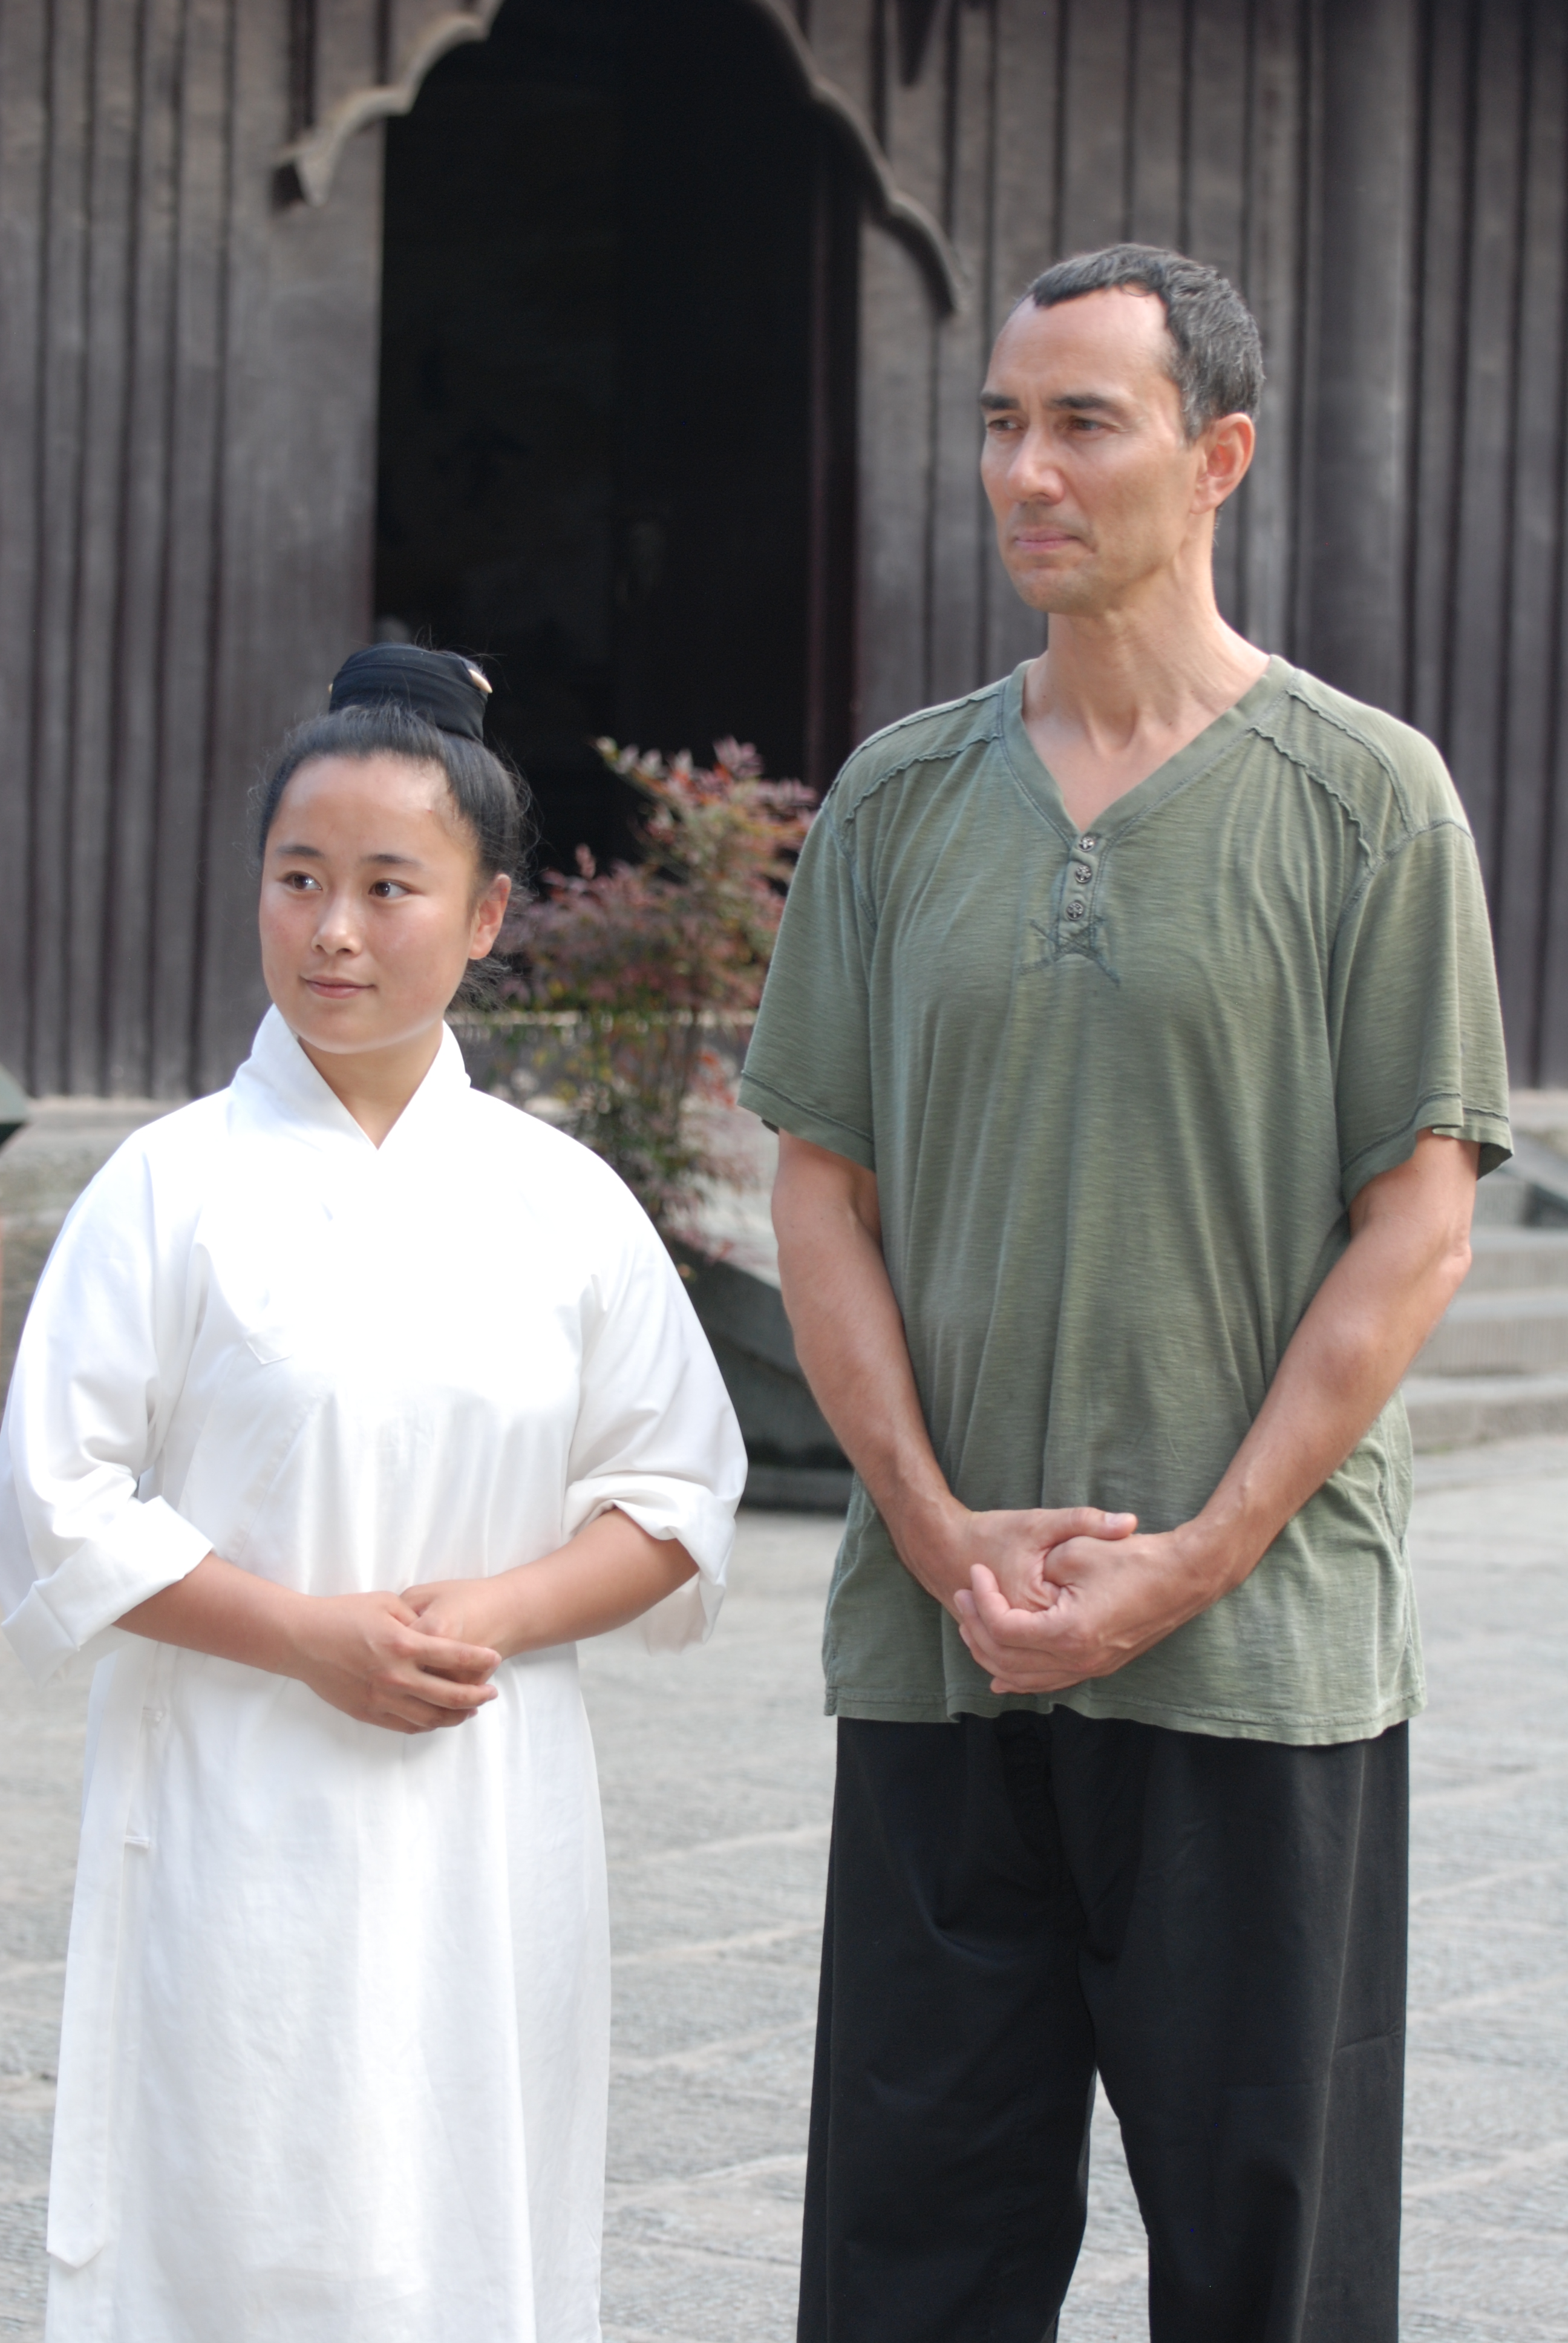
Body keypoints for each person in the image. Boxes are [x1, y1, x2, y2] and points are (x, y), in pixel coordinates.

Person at [737, 246, 1511, 2342]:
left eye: (1083, 421)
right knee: (913, 2256)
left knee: (1267, 2263)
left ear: (1220, 454)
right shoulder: (898, 804)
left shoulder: (1370, 803)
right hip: (944, 1651)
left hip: (1256, 1662)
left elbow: (1418, 1227)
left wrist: (1191, 1559)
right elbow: (819, 1192)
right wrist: (927, 1523)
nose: (1023, 471)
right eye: (1001, 422)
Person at [0, 644, 747, 2343]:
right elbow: (58, 1495)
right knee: (239, 2206)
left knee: (468, 2211)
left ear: (487, 918)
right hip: (233, 1797)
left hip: (486, 1806)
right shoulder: (167, 1188)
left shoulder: (562, 1202)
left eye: (390, 888)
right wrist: (305, 1636)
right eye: (299, 881)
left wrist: (499, 1608)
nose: (334, 931)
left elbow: (678, 1493)